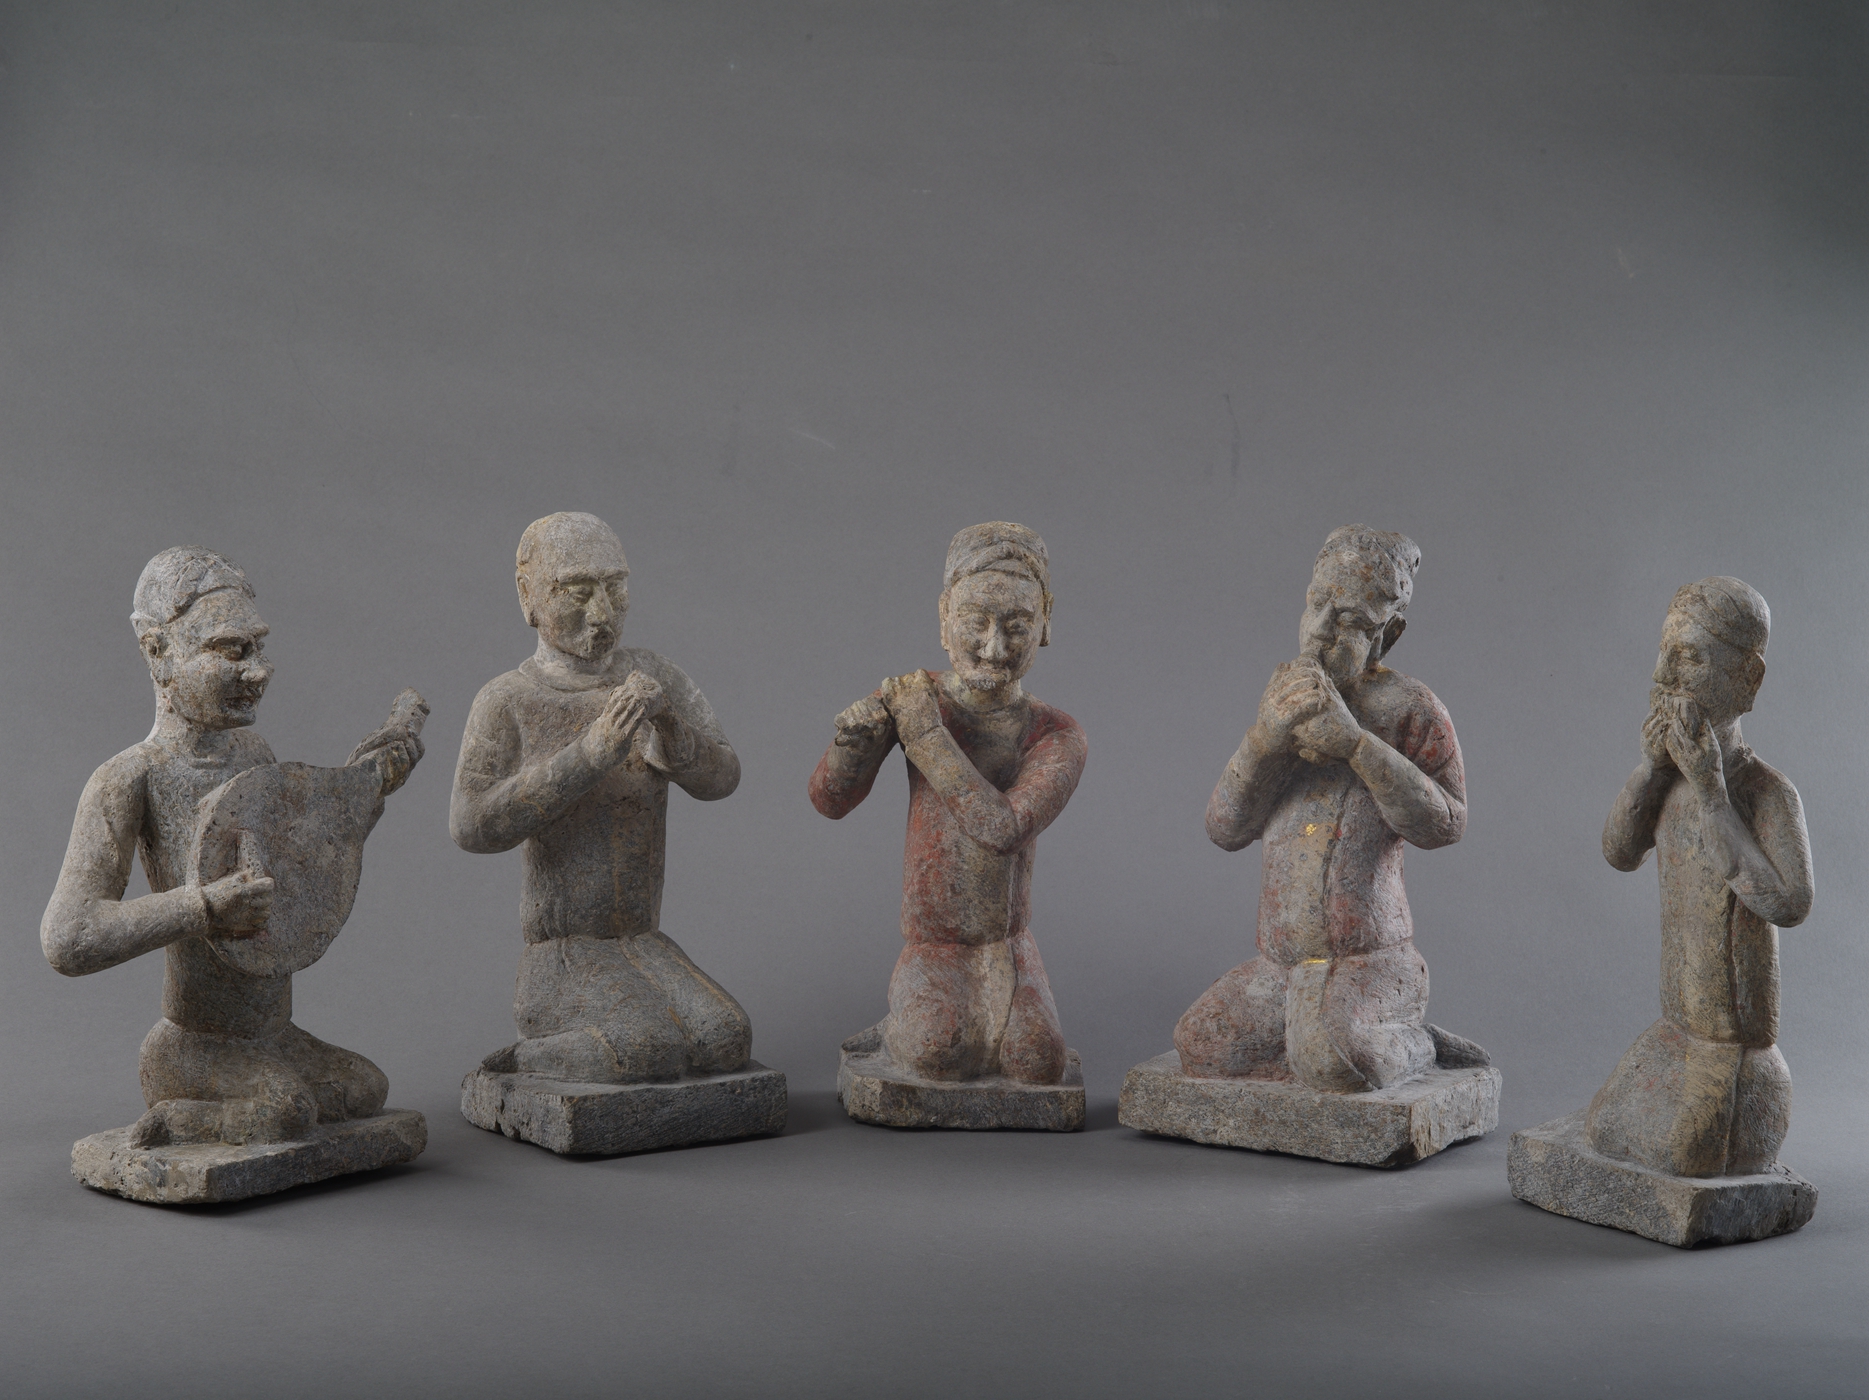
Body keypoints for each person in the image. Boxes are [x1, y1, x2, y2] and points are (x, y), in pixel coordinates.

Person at [41, 547, 420, 1146]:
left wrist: (361, 791)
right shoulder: (129, 778)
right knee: (288, 1112)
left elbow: (296, 869)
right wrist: (204, 907)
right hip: (195, 1042)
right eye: (231, 651)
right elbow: (68, 937)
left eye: (258, 648)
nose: (259, 671)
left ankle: (258, 1090)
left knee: (365, 1089)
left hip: (271, 1034)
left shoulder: (254, 754)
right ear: (158, 652)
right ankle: (180, 1118)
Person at [450, 512, 750, 1082]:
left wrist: (672, 731)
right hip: (562, 952)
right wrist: (587, 756)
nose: (604, 612)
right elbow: (470, 825)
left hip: (643, 940)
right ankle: (522, 1063)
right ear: (528, 596)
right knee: (646, 1049)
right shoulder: (508, 699)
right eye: (578, 591)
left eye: (615, 587)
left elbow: (723, 777)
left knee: (725, 1040)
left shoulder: (655, 676)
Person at [1175, 525, 1472, 1091]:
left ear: (1388, 634)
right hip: (1280, 966)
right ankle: (1316, 1032)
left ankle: (1413, 1041)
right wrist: (1263, 743)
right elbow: (1225, 828)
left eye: (1350, 621)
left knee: (1331, 1060)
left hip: (1370, 961)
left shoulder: (1410, 709)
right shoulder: (1285, 700)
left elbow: (1446, 824)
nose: (1319, 631)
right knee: (1201, 1042)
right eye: (1316, 606)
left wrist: (1357, 746)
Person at [810, 521, 1086, 1084]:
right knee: (938, 1050)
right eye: (974, 622)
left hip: (1008, 944)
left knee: (1037, 1063)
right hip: (934, 942)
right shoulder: (916, 698)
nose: (994, 648)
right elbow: (830, 800)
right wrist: (851, 747)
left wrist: (924, 735)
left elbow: (1002, 828)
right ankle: (898, 1027)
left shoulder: (1054, 733)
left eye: (1017, 626)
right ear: (944, 617)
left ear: (1046, 621)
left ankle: (924, 1023)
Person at [1586, 577, 1812, 1176]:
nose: (1662, 675)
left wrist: (1713, 793)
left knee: (1688, 1159)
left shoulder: (1764, 791)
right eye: (1665, 653)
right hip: (1674, 1033)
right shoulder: (1667, 780)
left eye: (1688, 656)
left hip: (1734, 1051)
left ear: (1747, 678)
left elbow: (1789, 903)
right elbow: (1618, 852)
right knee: (1603, 1129)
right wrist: (1649, 771)